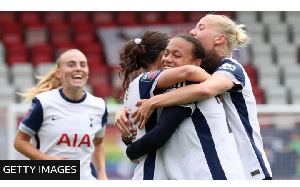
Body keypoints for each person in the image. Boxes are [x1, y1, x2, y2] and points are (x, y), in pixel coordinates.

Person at [130, 14, 273, 180]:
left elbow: (207, 89)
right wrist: (124, 112)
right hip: (226, 165)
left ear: (219, 38)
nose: (193, 31)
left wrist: (154, 101)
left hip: (250, 167)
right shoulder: (201, 73)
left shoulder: (231, 67)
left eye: (201, 27)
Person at [118, 32, 246, 179]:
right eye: (167, 53)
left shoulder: (178, 88)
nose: (169, 59)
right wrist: (213, 83)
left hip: (212, 173)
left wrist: (129, 146)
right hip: (155, 173)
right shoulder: (150, 81)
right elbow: (158, 134)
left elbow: (154, 134)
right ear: (161, 55)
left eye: (177, 55)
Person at [14, 49, 108, 180]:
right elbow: (19, 141)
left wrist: (102, 174)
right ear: (59, 73)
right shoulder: (43, 102)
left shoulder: (99, 106)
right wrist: (46, 160)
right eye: (71, 64)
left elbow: (98, 143)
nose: (78, 69)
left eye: (83, 64)